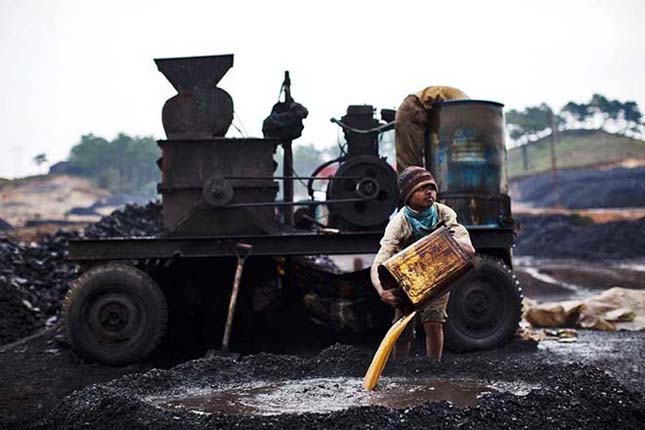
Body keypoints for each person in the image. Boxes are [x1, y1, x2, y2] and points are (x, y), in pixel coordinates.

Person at [370, 166, 475, 360]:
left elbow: (469, 249)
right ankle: (400, 369)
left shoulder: (444, 214)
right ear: (408, 195)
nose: (429, 192)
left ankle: (433, 367)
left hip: (438, 276)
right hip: (408, 280)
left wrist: (442, 241)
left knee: (434, 323)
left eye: (431, 187)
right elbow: (380, 261)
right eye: (421, 188)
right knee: (402, 328)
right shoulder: (399, 222)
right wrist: (381, 290)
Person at [395, 86, 468, 174]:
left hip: (422, 108)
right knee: (410, 167)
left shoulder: (462, 106)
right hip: (414, 107)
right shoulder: (464, 107)